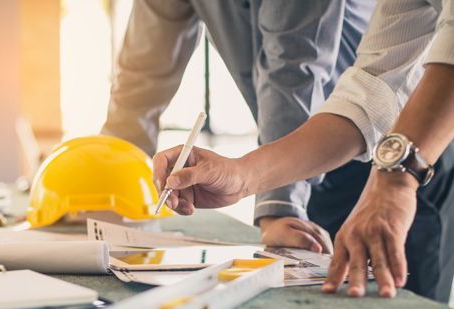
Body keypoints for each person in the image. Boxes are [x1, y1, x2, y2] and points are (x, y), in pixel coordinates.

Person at [153, 0, 454, 300]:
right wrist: (241, 174)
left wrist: (394, 180)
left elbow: (293, 67)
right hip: (370, 155)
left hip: (425, 156)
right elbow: (372, 91)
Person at [102, 0, 375, 257]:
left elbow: (293, 66)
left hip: (380, 159)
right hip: (289, 163)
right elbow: (144, 70)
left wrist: (280, 207)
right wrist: (107, 181)